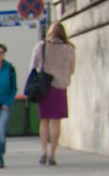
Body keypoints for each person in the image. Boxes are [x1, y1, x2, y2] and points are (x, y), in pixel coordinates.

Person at [31, 22, 76, 166]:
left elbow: (33, 65)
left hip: (44, 87)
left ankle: (43, 151)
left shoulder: (41, 46)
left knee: (44, 120)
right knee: (56, 121)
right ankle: (52, 154)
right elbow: (72, 69)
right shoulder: (69, 49)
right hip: (60, 86)